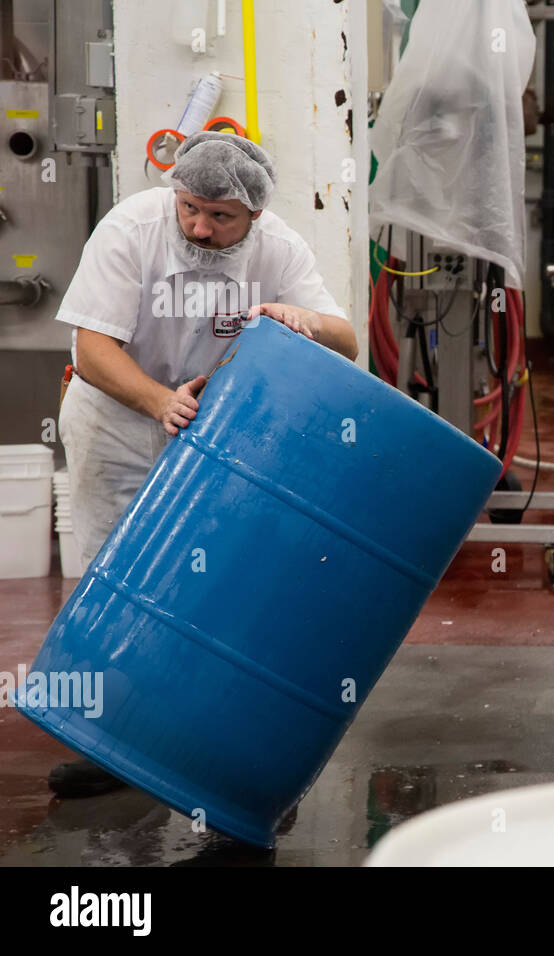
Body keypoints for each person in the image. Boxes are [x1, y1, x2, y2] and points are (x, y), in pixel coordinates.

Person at [49, 131, 357, 799]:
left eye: (221, 217)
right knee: (111, 574)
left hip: (214, 434)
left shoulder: (279, 247)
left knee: (211, 579)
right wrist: (160, 401)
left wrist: (296, 316)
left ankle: (194, 736)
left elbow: (346, 341)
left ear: (254, 215)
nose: (200, 227)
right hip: (119, 420)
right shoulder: (132, 228)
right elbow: (92, 345)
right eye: (190, 208)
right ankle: (106, 744)